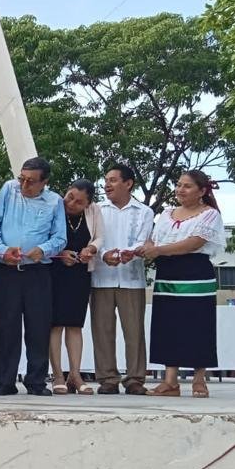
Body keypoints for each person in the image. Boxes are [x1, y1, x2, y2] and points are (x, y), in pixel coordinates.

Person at [138, 170, 225, 398]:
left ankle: (199, 379)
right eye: (178, 185)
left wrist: (158, 250)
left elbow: (193, 243)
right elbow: (154, 239)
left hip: (195, 272)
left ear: (202, 191)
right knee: (167, 324)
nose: (180, 190)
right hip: (167, 272)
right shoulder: (167, 214)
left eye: (187, 186)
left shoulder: (210, 214)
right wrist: (144, 249)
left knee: (198, 323)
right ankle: (170, 381)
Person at [0, 157, 66, 396]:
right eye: (22, 178)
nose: (24, 184)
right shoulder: (8, 190)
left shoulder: (54, 201)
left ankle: (36, 381)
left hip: (37, 272)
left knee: (38, 327)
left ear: (44, 182)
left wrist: (43, 249)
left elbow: (60, 237)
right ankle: (4, 381)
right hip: (7, 270)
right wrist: (2, 249)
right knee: (5, 326)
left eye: (31, 181)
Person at [90, 165, 154, 395]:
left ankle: (135, 378)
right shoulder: (96, 209)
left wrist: (130, 253)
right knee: (102, 330)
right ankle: (107, 378)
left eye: (113, 180)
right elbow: (93, 238)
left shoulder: (144, 211)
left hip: (131, 278)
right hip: (101, 277)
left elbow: (143, 239)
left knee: (134, 330)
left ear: (128, 184)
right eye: (106, 180)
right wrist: (103, 254)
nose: (107, 185)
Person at [48, 179, 104, 395]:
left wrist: (91, 249)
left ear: (88, 204)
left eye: (79, 202)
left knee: (74, 324)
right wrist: (60, 253)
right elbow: (44, 236)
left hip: (80, 273)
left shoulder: (94, 211)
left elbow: (99, 237)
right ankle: (57, 375)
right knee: (54, 324)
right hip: (54, 272)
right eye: (69, 197)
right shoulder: (53, 206)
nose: (71, 204)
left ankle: (75, 374)